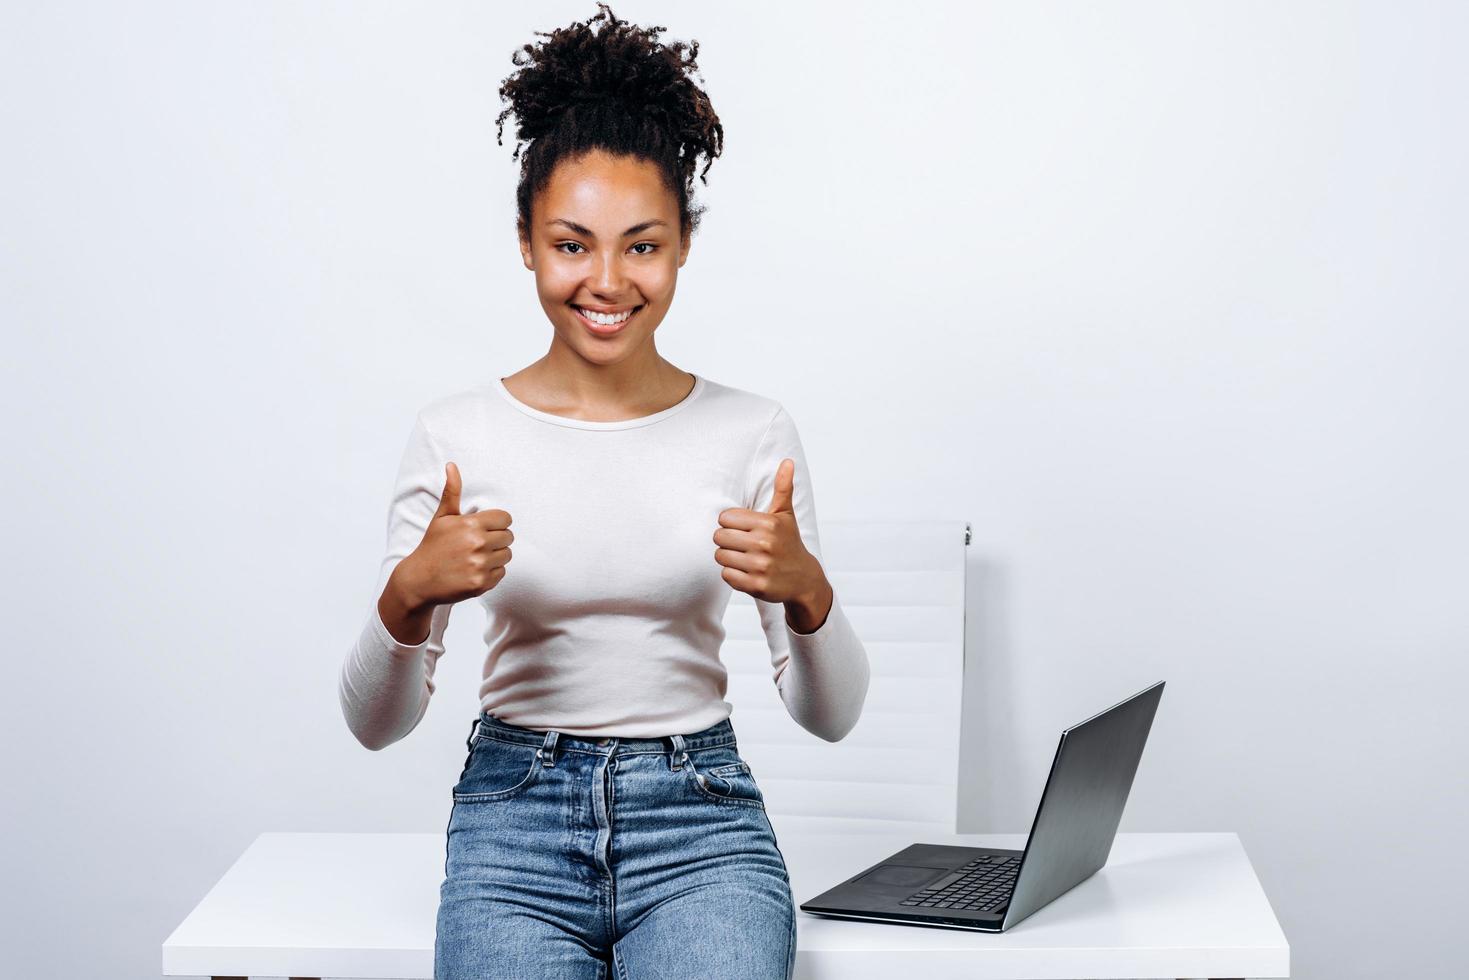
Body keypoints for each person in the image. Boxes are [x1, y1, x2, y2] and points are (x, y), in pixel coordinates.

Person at [337, 5, 871, 977]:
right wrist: (406, 594)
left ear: (681, 246)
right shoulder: (456, 433)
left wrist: (807, 591)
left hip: (699, 822)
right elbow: (373, 724)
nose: (607, 279)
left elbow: (830, 714)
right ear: (526, 242)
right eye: (572, 243)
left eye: (642, 244)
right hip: (513, 822)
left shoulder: (752, 431)